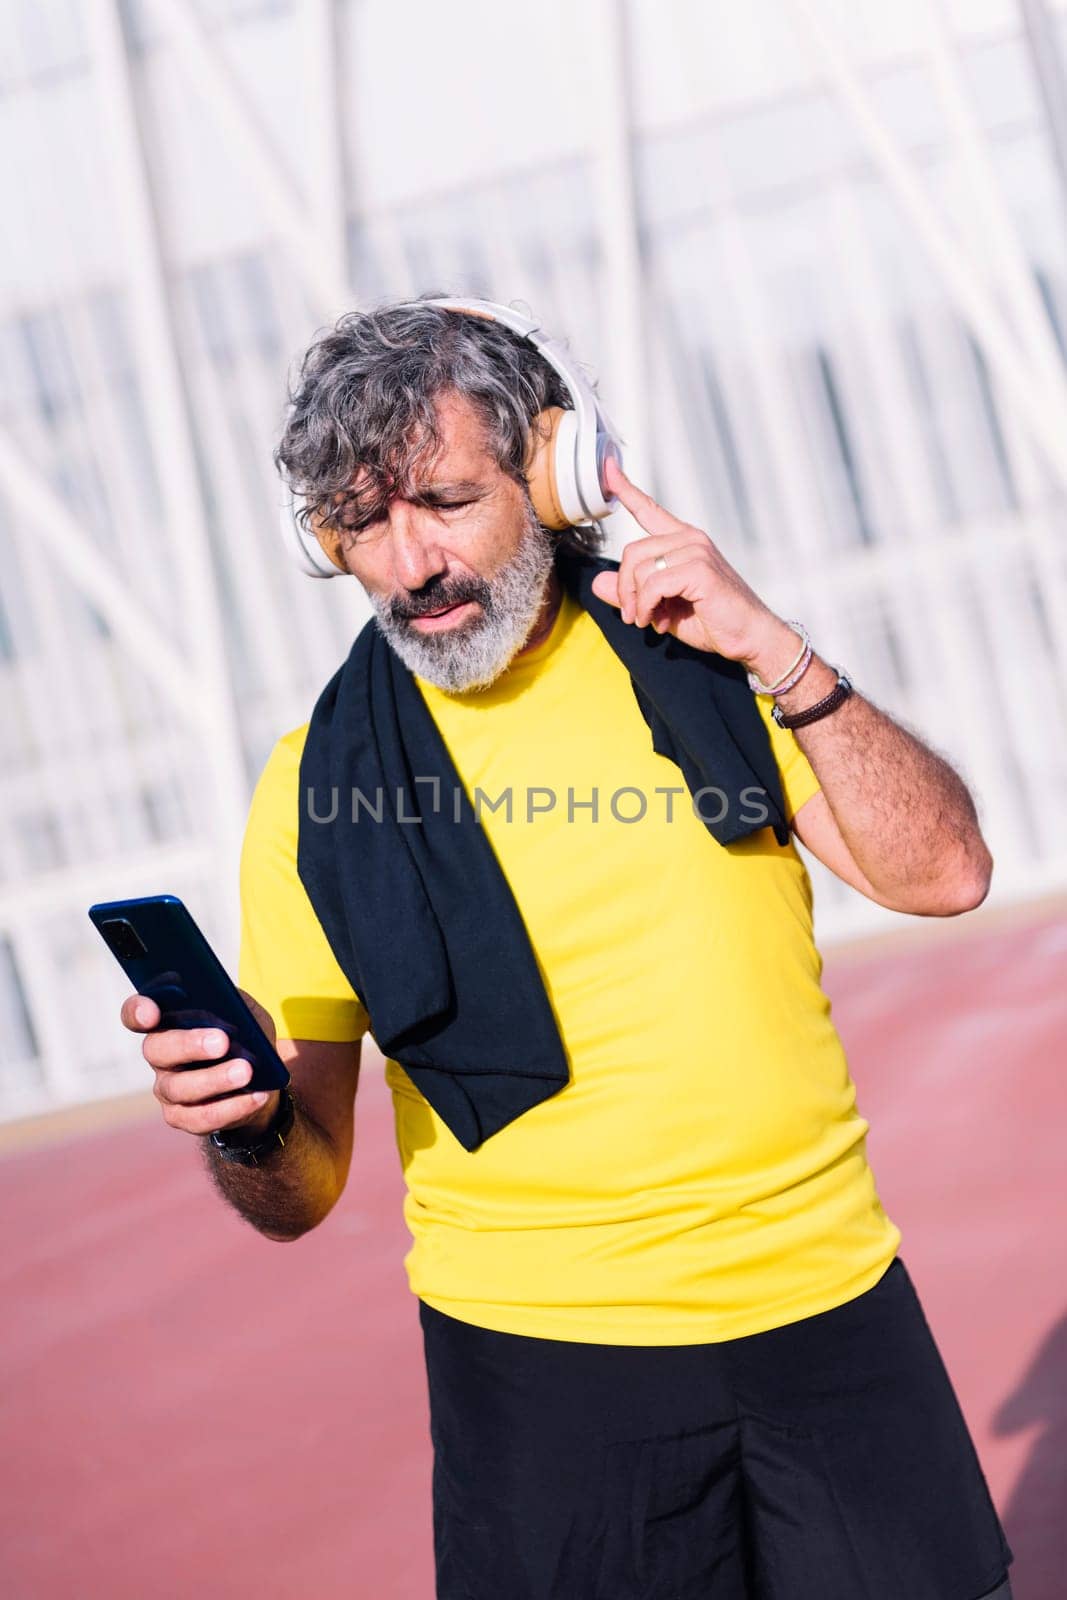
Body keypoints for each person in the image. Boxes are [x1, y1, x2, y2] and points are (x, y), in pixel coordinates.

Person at [121, 298, 1014, 1599]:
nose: (410, 561)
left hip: (830, 1311)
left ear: (553, 473)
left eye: (441, 499)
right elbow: (298, 1192)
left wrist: (780, 649)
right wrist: (244, 1122)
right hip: (541, 1377)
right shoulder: (316, 790)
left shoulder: (702, 663)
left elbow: (946, 874)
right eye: (364, 524)